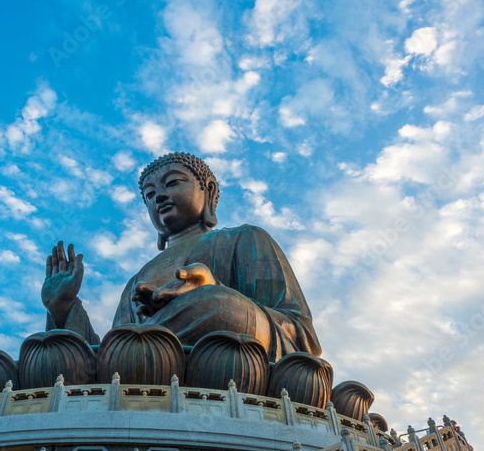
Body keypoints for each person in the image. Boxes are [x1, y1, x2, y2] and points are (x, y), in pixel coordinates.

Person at [41, 152, 321, 362]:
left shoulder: (243, 238)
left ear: (208, 191)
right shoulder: (136, 281)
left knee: (215, 305)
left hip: (230, 366)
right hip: (137, 369)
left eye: (172, 183)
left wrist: (214, 293)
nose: (159, 197)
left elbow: (301, 337)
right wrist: (63, 310)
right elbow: (111, 350)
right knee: (50, 352)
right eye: (149, 195)